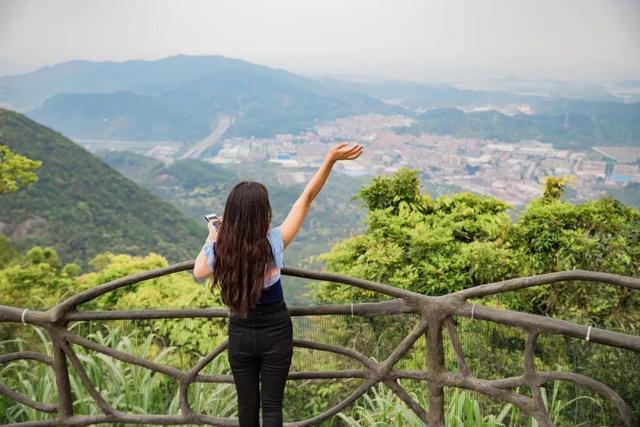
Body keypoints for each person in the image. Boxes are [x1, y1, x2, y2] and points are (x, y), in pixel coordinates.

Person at [192, 143, 364, 427]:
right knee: (272, 407)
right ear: (263, 213)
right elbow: (306, 198)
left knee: (246, 406)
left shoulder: (222, 248)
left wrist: (213, 234)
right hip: (276, 331)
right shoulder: (274, 241)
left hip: (240, 333)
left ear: (230, 214)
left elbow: (199, 270)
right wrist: (329, 160)